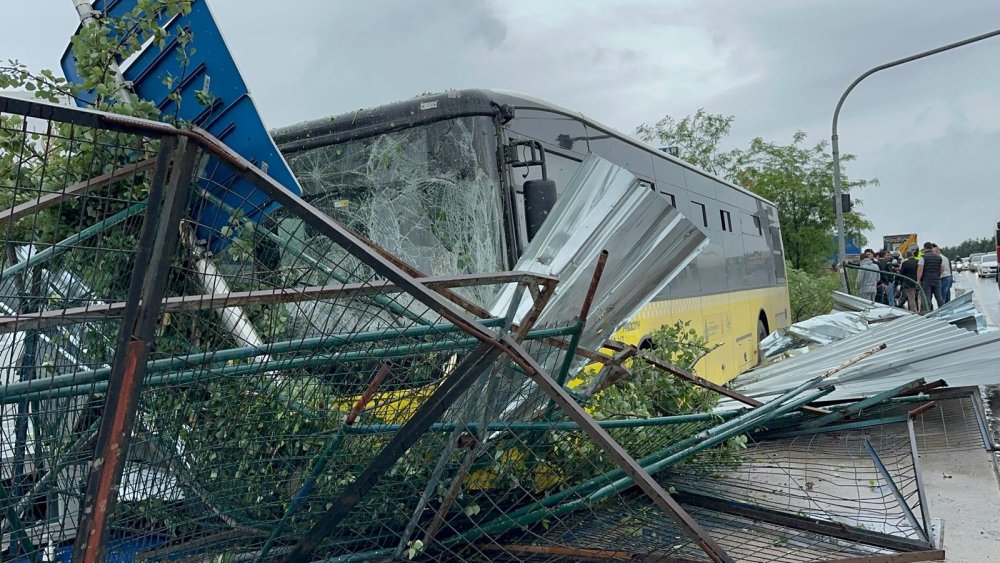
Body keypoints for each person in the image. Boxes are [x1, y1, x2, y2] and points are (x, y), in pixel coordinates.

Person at [916, 242, 944, 311]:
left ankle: (927, 311)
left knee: (927, 298)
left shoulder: (923, 257)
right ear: (932, 248)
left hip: (926, 280)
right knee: (939, 297)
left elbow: (920, 270)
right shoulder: (939, 257)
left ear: (924, 248)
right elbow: (942, 269)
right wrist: (937, 275)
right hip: (937, 280)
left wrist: (918, 280)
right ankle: (943, 310)